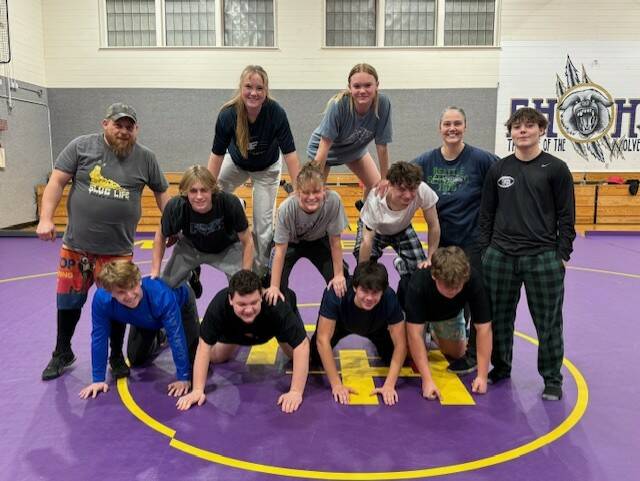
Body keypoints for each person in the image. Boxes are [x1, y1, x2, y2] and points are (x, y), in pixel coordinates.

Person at [37, 102, 170, 381]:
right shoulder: (81, 147)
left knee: (118, 302)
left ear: (136, 130)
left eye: (129, 126)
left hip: (118, 251)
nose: (123, 131)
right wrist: (45, 218)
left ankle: (115, 355)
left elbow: (162, 194)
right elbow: (57, 181)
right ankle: (62, 351)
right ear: (105, 124)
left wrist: (171, 227)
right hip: (77, 245)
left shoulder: (146, 158)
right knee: (68, 300)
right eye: (118, 125)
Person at [478, 107, 576, 401]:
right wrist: (486, 251)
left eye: (529, 126)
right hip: (500, 255)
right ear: (511, 133)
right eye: (517, 126)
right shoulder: (499, 169)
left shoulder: (556, 169)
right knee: (498, 318)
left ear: (541, 130)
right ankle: (501, 366)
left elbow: (566, 216)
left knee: (548, 322)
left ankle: (552, 378)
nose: (522, 131)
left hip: (542, 257)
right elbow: (486, 214)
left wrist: (562, 255)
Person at [412, 106, 498, 374]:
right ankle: (431, 330)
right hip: (440, 242)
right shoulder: (425, 162)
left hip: (472, 241)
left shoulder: (483, 160)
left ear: (465, 126)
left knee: (471, 295)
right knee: (435, 287)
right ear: (440, 127)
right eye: (447, 124)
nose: (452, 128)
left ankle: (472, 354)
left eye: (457, 124)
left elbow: (506, 178)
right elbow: (402, 180)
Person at [208, 65, 301, 273]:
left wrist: (298, 190)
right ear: (241, 88)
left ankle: (259, 273)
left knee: (263, 229)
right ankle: (236, 205)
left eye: (259, 88)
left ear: (266, 91)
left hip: (267, 168)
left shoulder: (276, 113)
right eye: (248, 87)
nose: (254, 93)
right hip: (237, 163)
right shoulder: (228, 115)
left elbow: (291, 155)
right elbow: (216, 156)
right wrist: (207, 188)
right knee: (215, 193)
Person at [176, 270, 310, 413]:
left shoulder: (276, 306)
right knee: (215, 357)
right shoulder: (219, 305)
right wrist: (197, 390)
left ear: (262, 296)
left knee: (302, 356)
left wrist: (295, 392)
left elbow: (302, 346)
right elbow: (204, 347)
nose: (248, 309)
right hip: (236, 329)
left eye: (253, 303)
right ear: (230, 299)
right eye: (242, 304)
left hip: (273, 328)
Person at [79, 260, 199, 400]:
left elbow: (176, 336)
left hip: (181, 305)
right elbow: (99, 336)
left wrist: (183, 376)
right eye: (121, 292)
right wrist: (98, 379)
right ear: (110, 292)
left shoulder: (161, 295)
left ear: (139, 281)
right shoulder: (102, 300)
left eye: (132, 287)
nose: (129, 295)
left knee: (195, 364)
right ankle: (161, 335)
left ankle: (192, 275)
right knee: (136, 359)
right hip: (147, 317)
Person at [311, 261, 406, 406]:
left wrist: (389, 385)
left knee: (399, 359)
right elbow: (322, 340)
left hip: (377, 328)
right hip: (341, 325)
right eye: (365, 291)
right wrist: (337, 384)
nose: (369, 298)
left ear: (383, 291)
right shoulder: (337, 293)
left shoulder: (389, 297)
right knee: (314, 357)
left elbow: (401, 344)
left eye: (375, 292)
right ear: (355, 287)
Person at [403, 247, 492, 399]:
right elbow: (414, 333)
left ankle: (434, 332)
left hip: (448, 314)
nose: (452, 291)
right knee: (408, 354)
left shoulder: (473, 279)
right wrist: (427, 380)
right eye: (446, 286)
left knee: (457, 353)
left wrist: (482, 376)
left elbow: (484, 328)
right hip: (418, 312)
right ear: (434, 276)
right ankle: (402, 267)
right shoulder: (419, 282)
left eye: (457, 287)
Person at [150, 165, 253, 295]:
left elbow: (248, 241)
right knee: (165, 288)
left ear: (212, 190)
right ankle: (193, 274)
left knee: (244, 289)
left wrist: (246, 274)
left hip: (227, 248)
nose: (199, 196)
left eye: (204, 190)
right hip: (191, 248)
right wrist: (155, 271)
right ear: (185, 192)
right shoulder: (175, 206)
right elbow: (160, 237)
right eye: (193, 191)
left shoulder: (229, 203)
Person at [264, 161, 349, 306]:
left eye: (316, 192)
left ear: (324, 190)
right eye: (306, 192)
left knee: (342, 284)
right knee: (274, 291)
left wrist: (339, 275)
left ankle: (328, 322)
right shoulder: (287, 209)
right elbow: (280, 251)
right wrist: (274, 287)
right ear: (298, 193)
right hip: (291, 243)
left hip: (318, 240)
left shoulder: (333, 201)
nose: (311, 197)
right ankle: (291, 321)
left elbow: (335, 242)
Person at [307, 63, 392, 202]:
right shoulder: (338, 105)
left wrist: (384, 179)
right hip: (325, 150)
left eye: (368, 85)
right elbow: (324, 147)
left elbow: (382, 145)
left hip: (354, 149)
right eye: (357, 86)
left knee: (378, 188)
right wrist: (316, 182)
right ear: (349, 88)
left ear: (377, 85)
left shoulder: (383, 104)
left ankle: (364, 217)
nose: (362, 91)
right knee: (317, 192)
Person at [354, 161, 440, 278]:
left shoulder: (423, 190)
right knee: (368, 268)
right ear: (390, 185)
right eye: (402, 189)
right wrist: (362, 276)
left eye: (412, 189)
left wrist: (431, 258)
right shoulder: (376, 199)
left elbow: (433, 225)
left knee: (421, 272)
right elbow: (367, 240)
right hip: (376, 231)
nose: (408, 196)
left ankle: (400, 265)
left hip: (402, 228)